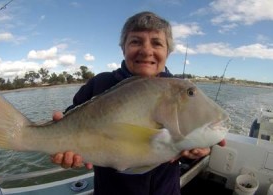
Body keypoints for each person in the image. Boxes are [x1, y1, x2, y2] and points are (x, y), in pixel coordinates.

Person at [51, 11, 217, 195]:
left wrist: (201, 149)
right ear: (123, 48)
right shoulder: (100, 83)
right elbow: (70, 125)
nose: (146, 51)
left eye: (157, 43)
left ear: (167, 52)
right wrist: (64, 150)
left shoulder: (180, 92)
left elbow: (186, 143)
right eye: (136, 41)